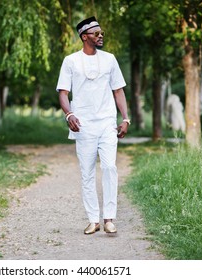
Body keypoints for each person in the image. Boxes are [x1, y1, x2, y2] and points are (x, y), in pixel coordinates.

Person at [56, 16, 130, 234]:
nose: (101, 36)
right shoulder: (71, 61)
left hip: (107, 123)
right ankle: (93, 220)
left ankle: (108, 218)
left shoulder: (109, 59)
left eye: (102, 33)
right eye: (96, 34)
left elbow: (118, 90)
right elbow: (63, 92)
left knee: (109, 167)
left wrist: (125, 118)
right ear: (84, 36)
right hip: (84, 126)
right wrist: (69, 114)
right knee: (87, 173)